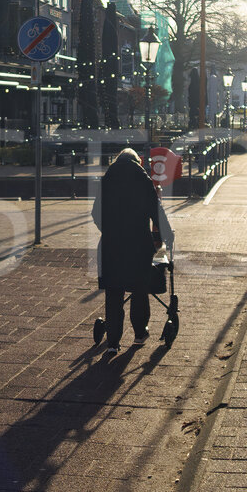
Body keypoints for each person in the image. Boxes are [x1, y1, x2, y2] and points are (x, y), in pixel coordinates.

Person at [92, 148, 174, 351]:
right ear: (138, 162)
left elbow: (96, 213)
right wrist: (167, 236)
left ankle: (112, 342)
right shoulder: (142, 179)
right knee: (139, 289)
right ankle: (139, 332)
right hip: (139, 244)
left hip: (111, 245)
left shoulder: (107, 179)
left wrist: (109, 230)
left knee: (113, 292)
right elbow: (157, 211)